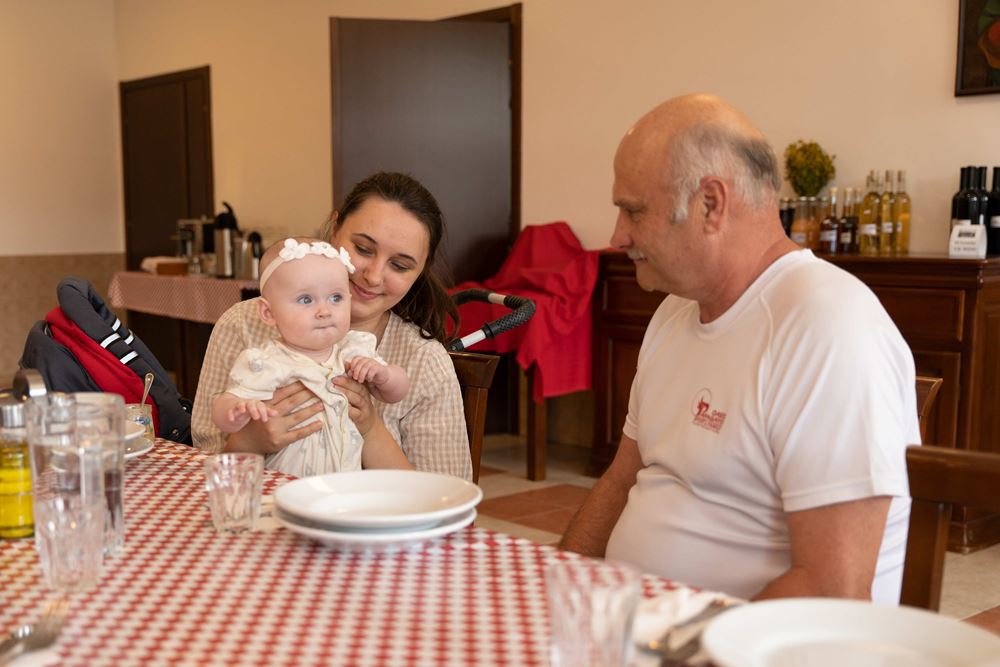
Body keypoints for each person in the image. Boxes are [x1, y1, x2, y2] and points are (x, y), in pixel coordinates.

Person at [559, 94, 918, 604]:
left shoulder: (829, 326)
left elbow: (833, 587)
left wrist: (678, 643)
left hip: (736, 641)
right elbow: (621, 481)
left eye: (633, 211)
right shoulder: (675, 311)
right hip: (634, 623)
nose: (618, 235)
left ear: (711, 204)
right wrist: (551, 586)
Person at [192, 172, 472, 480]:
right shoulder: (243, 325)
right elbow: (203, 463)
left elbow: (442, 495)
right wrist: (248, 441)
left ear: (419, 273)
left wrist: (370, 427)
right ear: (334, 228)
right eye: (363, 249)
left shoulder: (423, 361)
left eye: (400, 265)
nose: (373, 276)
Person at [212, 237, 409, 477]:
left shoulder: (352, 350)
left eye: (336, 298)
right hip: (286, 484)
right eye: (306, 300)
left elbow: (397, 392)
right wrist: (237, 410)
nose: (324, 311)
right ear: (268, 313)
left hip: (345, 485)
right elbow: (222, 408)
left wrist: (384, 375)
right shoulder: (267, 362)